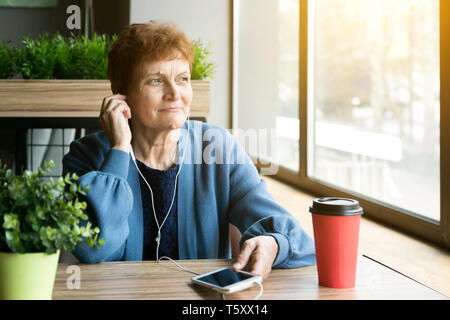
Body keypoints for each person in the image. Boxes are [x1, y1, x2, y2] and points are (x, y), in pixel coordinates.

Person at [62, 21, 315, 282]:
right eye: (156, 80)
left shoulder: (218, 147)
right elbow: (92, 249)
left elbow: (294, 237)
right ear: (122, 95)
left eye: (182, 79)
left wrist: (273, 243)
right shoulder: (86, 156)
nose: (175, 93)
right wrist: (118, 150)